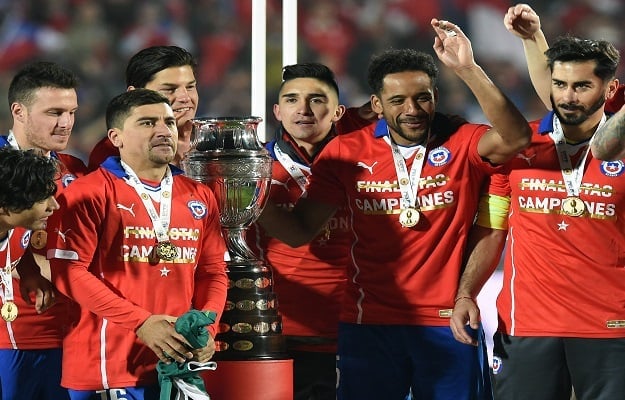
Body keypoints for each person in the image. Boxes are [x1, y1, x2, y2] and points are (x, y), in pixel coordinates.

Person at [257, 19, 531, 399]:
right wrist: (242, 195)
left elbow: (517, 137)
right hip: (368, 323)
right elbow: (300, 230)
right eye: (398, 100)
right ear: (376, 105)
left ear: (435, 96)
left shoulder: (463, 142)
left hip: (446, 319)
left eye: (422, 97)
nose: (412, 109)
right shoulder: (345, 152)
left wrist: (468, 69)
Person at [450, 4, 625, 399]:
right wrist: (466, 292)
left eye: (582, 86)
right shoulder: (520, 148)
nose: (568, 96)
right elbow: (493, 229)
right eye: (560, 85)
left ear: (609, 90)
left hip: (611, 327)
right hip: (527, 325)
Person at [46, 88, 228, 399]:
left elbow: (213, 272)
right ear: (115, 137)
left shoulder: (199, 195)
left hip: (178, 367)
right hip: (109, 369)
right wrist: (141, 322)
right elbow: (69, 273)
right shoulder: (87, 193)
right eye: (146, 123)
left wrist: (207, 329)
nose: (162, 130)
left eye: (168, 122)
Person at [247, 62, 348, 400]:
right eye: (291, 100)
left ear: (338, 112)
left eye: (316, 100)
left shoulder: (363, 164)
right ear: (277, 111)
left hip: (356, 331)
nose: (303, 109)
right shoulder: (252, 168)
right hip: (275, 334)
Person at [0, 60, 87, 400]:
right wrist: (26, 266)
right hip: (12, 336)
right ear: (18, 111)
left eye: (72, 112)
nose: (66, 123)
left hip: (74, 333)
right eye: (54, 112)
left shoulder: (74, 169)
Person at [88, 45, 199, 170]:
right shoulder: (111, 153)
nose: (185, 98)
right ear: (134, 95)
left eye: (190, 87)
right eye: (169, 89)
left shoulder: (217, 143)